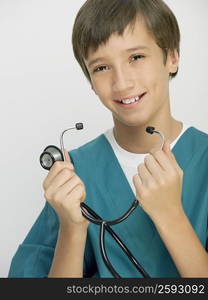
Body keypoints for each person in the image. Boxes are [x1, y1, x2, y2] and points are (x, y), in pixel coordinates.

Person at [8, 0, 208, 278]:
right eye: (101, 68)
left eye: (136, 57)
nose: (122, 82)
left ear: (172, 57)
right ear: (90, 80)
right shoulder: (76, 171)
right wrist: (72, 229)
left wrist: (171, 216)